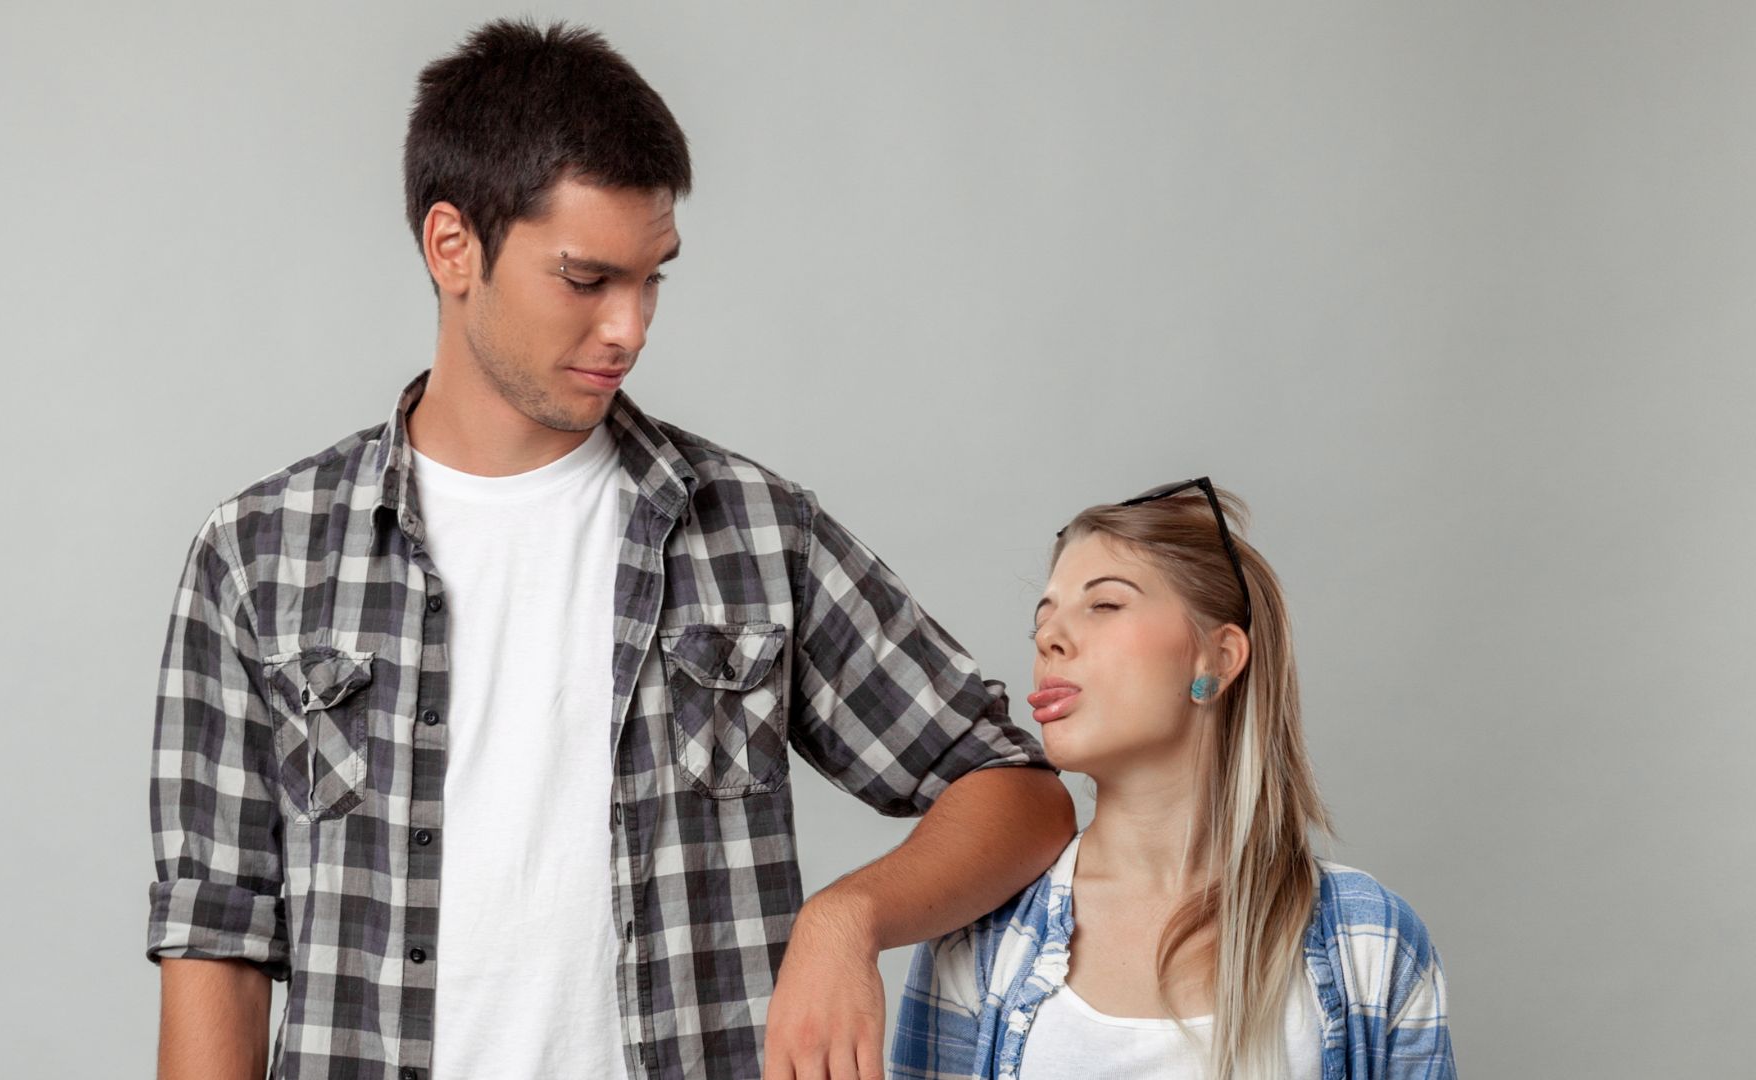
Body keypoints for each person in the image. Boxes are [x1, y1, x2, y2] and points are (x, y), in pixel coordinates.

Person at [143, 19, 1076, 1080]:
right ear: (453, 247)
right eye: (587, 281)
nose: (630, 328)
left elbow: (1018, 791)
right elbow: (216, 935)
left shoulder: (751, 531)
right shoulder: (260, 556)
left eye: (652, 279)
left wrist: (847, 916)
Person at [891, 480, 1455, 1079]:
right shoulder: (978, 941)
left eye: (1104, 605)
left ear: (1218, 657)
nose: (1050, 640)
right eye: (1042, 622)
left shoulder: (1372, 940)